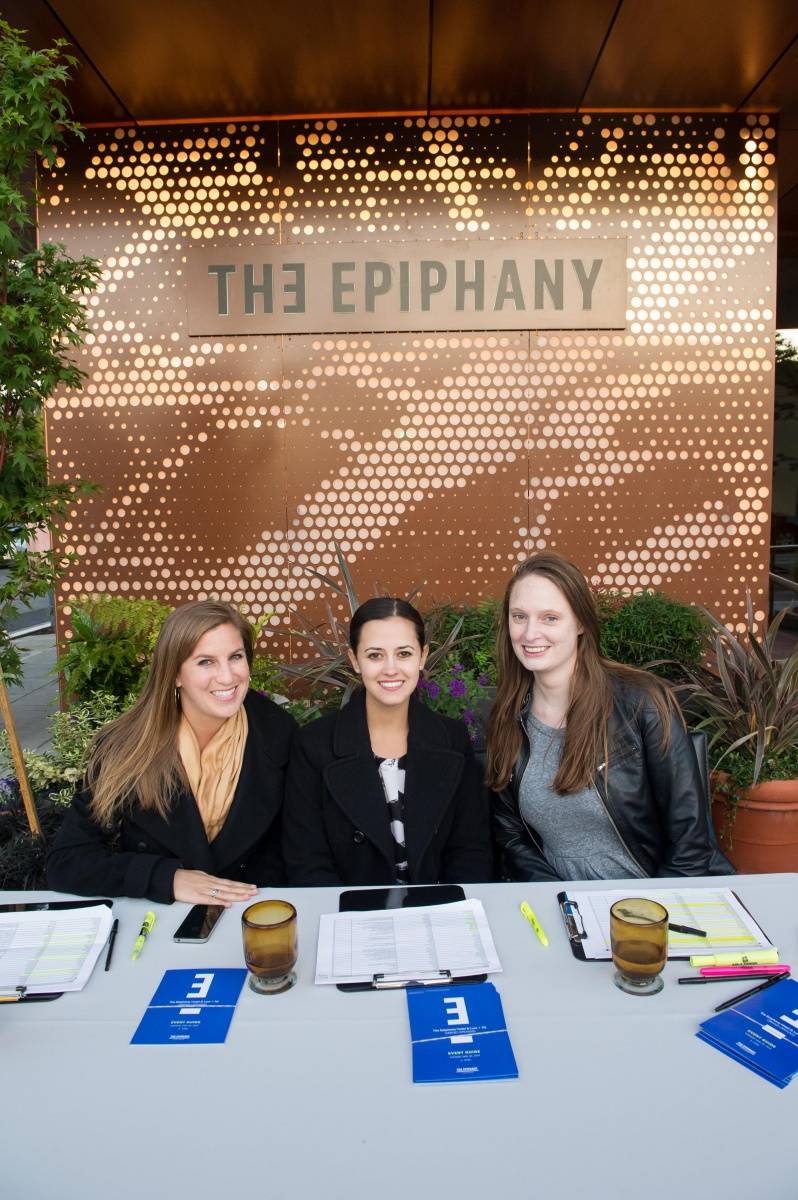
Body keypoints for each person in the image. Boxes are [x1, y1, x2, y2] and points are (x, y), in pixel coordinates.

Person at [486, 553, 729, 881]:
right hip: (560, 901)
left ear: (580, 623)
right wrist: (554, 896)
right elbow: (511, 834)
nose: (530, 634)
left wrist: (645, 909)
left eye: (550, 618)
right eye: (519, 616)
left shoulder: (642, 702)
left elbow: (691, 848)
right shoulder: (509, 715)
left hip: (648, 898)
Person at [47, 600, 296, 904]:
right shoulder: (127, 747)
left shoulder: (279, 733)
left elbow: (290, 847)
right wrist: (165, 877)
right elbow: (67, 861)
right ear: (175, 674)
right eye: (205, 662)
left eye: (235, 657)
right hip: (158, 917)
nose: (227, 676)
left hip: (250, 911)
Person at [283, 597, 492, 885]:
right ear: (354, 660)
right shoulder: (313, 745)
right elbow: (307, 861)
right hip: (347, 909)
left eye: (404, 653)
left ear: (422, 656)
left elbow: (471, 852)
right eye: (375, 655)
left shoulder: (453, 740)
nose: (391, 669)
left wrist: (450, 907)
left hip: (439, 908)